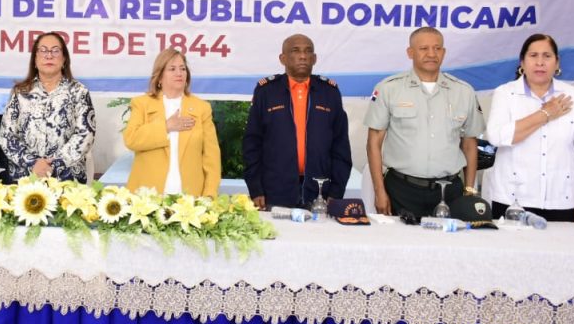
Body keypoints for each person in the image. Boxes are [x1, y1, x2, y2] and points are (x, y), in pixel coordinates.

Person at [364, 27, 486, 219]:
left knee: (451, 247)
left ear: (444, 52)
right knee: (401, 245)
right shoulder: (389, 89)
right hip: (402, 190)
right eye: (423, 48)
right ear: (410, 52)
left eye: (437, 48)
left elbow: (470, 145)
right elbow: (373, 143)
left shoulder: (464, 92)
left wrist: (470, 190)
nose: (431, 54)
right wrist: (380, 192)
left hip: (450, 191)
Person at [484, 34, 574, 222]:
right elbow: (497, 137)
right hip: (512, 201)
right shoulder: (505, 94)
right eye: (533, 56)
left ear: (557, 63)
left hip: (563, 202)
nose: (540, 62)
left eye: (547, 56)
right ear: (522, 62)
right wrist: (545, 114)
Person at [242, 34, 351, 209]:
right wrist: (256, 189)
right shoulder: (266, 92)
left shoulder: (329, 92)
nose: (303, 56)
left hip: (320, 193)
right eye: (295, 51)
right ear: (282, 58)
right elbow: (252, 144)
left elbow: (341, 147)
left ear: (314, 59)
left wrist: (336, 193)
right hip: (274, 191)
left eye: (308, 51)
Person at [123, 49, 220, 196]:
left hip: (190, 201)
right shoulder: (141, 104)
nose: (179, 73)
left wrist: (209, 195)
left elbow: (211, 158)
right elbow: (131, 139)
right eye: (172, 69)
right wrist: (166, 126)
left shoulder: (202, 108)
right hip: (146, 199)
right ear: (159, 76)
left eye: (182, 68)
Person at [0, 32, 95, 182]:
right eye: (43, 50)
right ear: (35, 59)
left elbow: (85, 135)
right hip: (26, 176)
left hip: (67, 178)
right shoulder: (20, 92)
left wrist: (54, 165)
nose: (49, 56)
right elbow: (7, 136)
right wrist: (33, 163)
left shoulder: (78, 91)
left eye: (55, 51)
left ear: (64, 59)